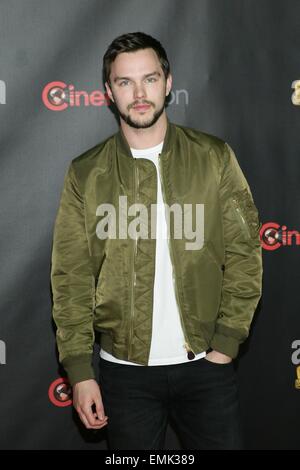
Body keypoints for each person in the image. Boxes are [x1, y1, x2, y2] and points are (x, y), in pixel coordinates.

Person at [51, 31, 263, 450]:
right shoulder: (86, 173)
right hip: (124, 375)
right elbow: (71, 278)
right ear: (109, 92)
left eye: (149, 79)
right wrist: (80, 370)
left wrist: (225, 343)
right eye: (125, 82)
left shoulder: (213, 157)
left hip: (206, 366)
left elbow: (245, 254)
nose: (139, 93)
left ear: (168, 83)